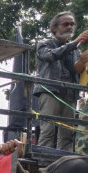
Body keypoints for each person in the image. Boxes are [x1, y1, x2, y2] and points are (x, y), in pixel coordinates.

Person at [34, 11, 88, 152]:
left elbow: (74, 70)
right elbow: (51, 56)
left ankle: (65, 163)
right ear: (54, 28)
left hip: (69, 94)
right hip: (50, 91)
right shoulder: (44, 44)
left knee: (67, 133)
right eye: (66, 24)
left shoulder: (74, 49)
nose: (70, 26)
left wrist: (82, 60)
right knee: (48, 130)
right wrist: (75, 43)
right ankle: (43, 163)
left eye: (72, 24)